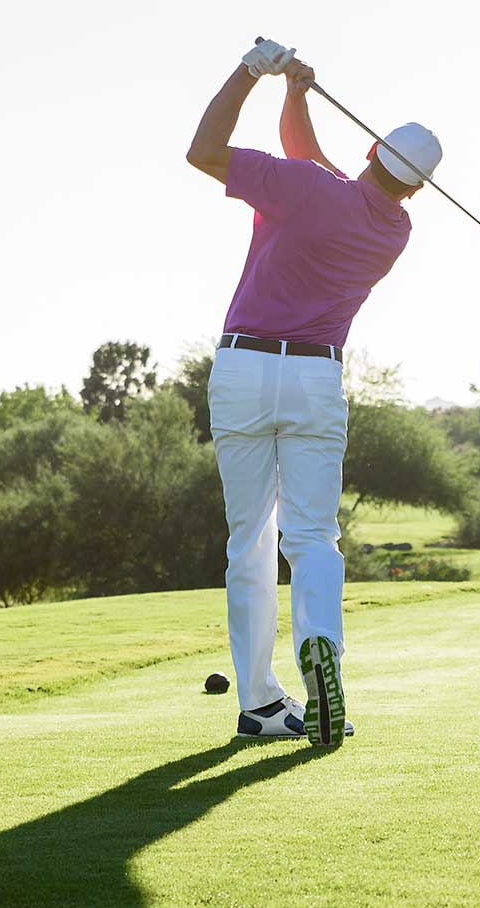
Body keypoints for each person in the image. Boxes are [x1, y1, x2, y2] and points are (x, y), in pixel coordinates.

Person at [185, 37, 441, 748]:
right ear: (415, 185)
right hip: (315, 378)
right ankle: (320, 646)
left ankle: (261, 704)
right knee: (312, 536)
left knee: (249, 542)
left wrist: (251, 73)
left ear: (370, 153)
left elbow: (203, 151)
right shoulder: (393, 228)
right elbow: (309, 160)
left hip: (243, 369)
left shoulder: (307, 189)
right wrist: (295, 95)